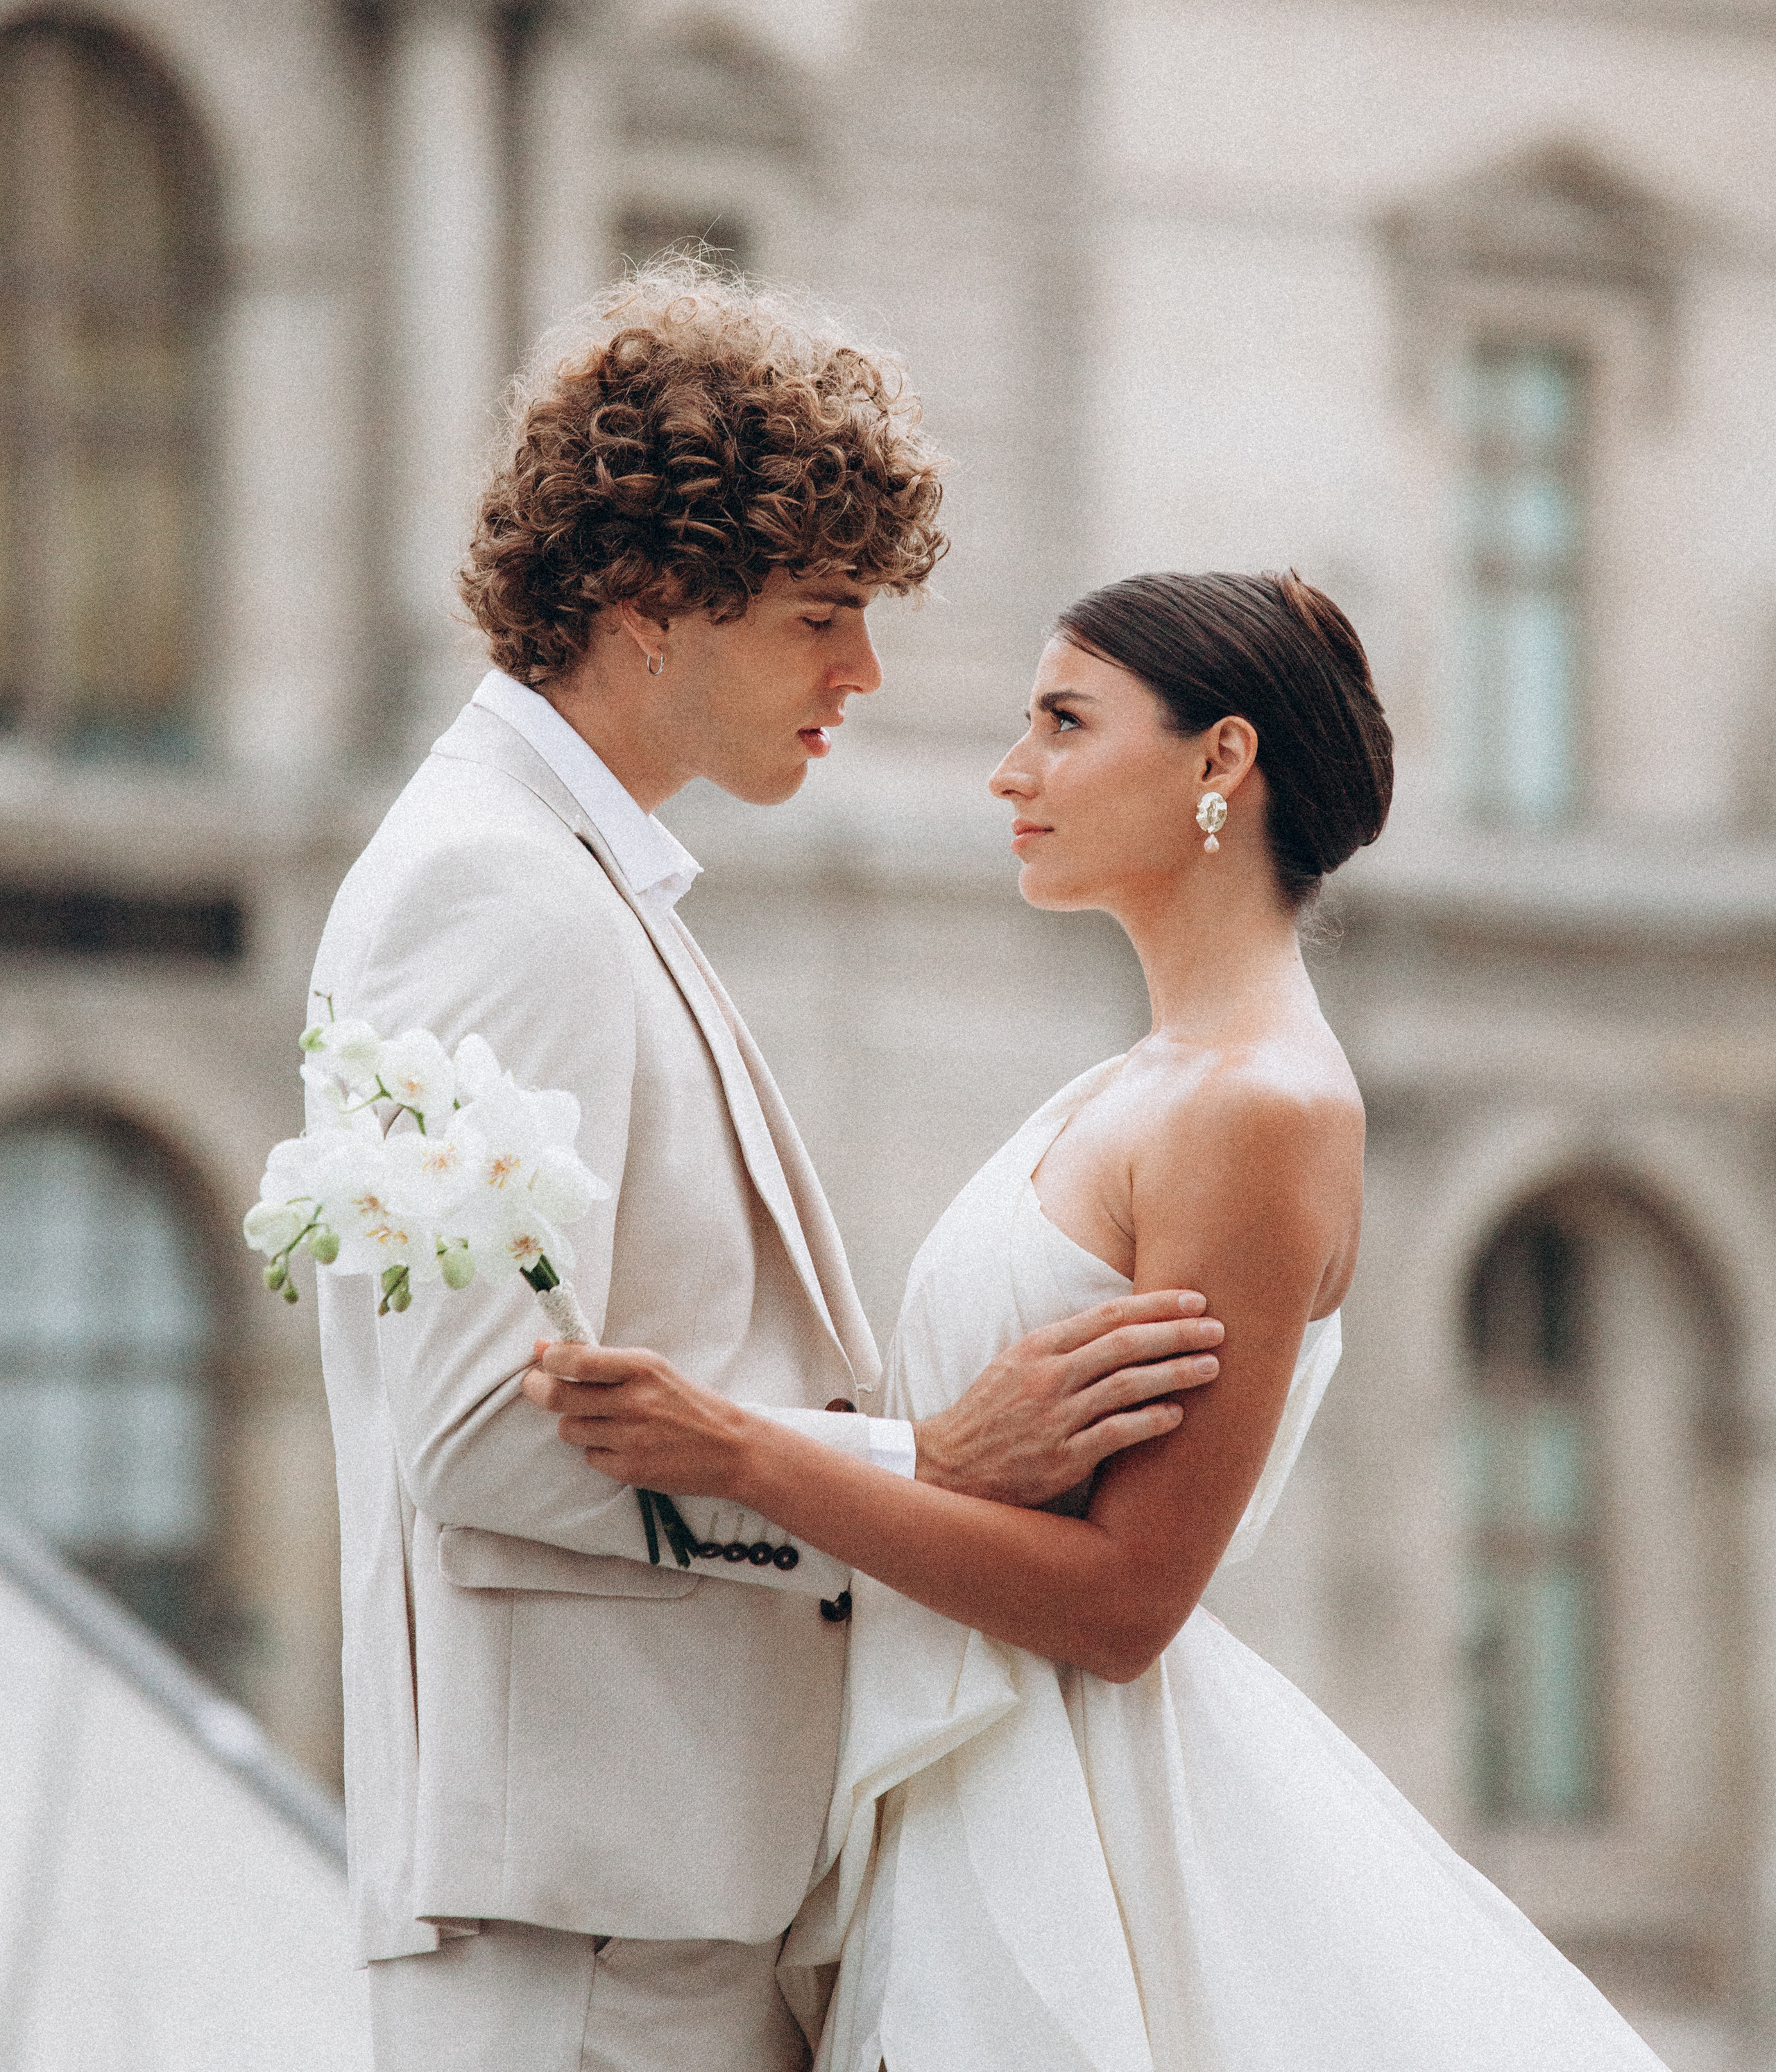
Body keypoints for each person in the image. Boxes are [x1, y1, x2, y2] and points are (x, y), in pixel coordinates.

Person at [524, 567, 1671, 2072]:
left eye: (1063, 723)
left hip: (1067, 1837)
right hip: (979, 1788)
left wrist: (740, 1452)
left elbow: (1127, 1605)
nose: (1011, 772)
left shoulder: (1259, 1107)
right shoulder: (1145, 1081)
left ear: (1222, 759)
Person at [311, 266, 1226, 2072]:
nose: (863, 673)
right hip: (584, 1917)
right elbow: (475, 1431)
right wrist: (922, 1468)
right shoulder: (496, 889)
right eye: (822, 615)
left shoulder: (571, 873)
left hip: (660, 1894)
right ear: (652, 604)